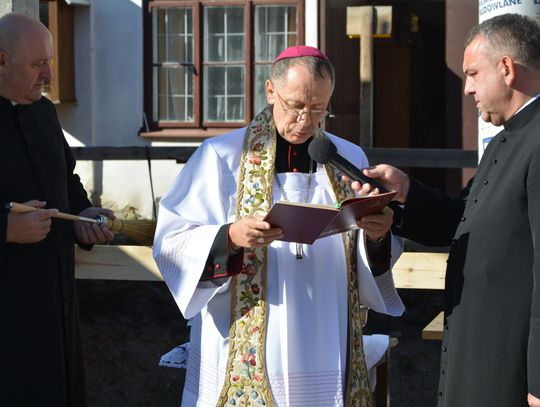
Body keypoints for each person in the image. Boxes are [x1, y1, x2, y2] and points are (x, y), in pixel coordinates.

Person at [153, 46, 404, 406]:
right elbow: (171, 242)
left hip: (326, 331)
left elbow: (370, 251)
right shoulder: (221, 157)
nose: (305, 120)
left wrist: (377, 237)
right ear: (271, 91)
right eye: (296, 106)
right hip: (248, 331)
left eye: (318, 109)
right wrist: (231, 237)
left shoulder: (348, 159)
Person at [356, 13, 540, 407]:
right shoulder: (504, 141)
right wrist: (403, 193)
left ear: (507, 68)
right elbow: (464, 220)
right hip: (478, 348)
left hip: (512, 364)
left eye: (473, 73)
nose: (467, 88)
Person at [0, 13, 115, 406]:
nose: (48, 74)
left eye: (49, 61)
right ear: (1, 60)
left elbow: (65, 181)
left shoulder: (44, 113)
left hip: (55, 304)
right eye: (37, 64)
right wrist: (6, 229)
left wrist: (82, 217)